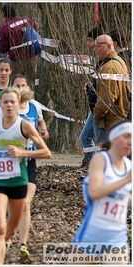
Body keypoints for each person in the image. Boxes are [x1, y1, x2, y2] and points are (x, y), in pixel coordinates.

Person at [0, 86, 51, 264]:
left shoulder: (25, 126)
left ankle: (6, 242)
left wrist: (23, 154)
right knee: (0, 228)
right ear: (0, 105)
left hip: (18, 181)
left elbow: (46, 153)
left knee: (11, 231)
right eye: (5, 102)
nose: (9, 105)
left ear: (18, 104)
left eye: (13, 102)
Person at [0, 74, 49, 261]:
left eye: (23, 85)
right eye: (17, 85)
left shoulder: (34, 106)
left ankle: (22, 245)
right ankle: (6, 235)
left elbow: (40, 125)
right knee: (12, 203)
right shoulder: (3, 110)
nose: (21, 88)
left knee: (25, 203)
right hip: (4, 165)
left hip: (28, 163)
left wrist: (43, 130)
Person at [72, 120, 132, 264]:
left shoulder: (128, 165)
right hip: (90, 236)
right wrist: (125, 181)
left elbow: (125, 197)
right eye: (126, 136)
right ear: (114, 137)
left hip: (117, 239)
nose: (130, 142)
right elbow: (94, 192)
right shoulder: (101, 159)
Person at [92, 34, 131, 144]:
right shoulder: (115, 61)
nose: (95, 50)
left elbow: (107, 98)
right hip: (113, 119)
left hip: (108, 121)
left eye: (98, 46)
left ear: (109, 46)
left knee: (107, 156)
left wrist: (96, 115)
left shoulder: (110, 67)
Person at [0, 3, 41, 86]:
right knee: (30, 83)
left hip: (16, 60)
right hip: (31, 57)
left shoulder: (4, 27)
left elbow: (3, 49)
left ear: (3, 14)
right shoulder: (27, 20)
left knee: (15, 84)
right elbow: (37, 33)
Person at [79, 28, 104, 167]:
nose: (88, 44)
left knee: (101, 143)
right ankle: (95, 165)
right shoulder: (97, 60)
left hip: (100, 108)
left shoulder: (106, 61)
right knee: (85, 137)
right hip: (94, 107)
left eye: (90, 41)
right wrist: (90, 86)